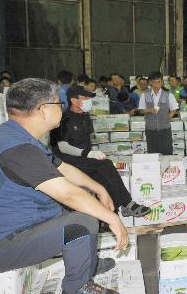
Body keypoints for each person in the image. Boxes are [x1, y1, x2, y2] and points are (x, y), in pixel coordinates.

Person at [0, 78, 129, 294]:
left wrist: (98, 188)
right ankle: (75, 289)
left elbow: (61, 167)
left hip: (17, 227)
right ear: (43, 110)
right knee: (82, 222)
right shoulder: (18, 150)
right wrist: (112, 218)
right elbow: (69, 195)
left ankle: (87, 263)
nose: (60, 108)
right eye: (57, 103)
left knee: (83, 203)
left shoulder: (15, 134)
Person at [51, 85, 151, 218]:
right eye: (85, 97)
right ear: (74, 100)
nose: (88, 100)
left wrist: (93, 153)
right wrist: (88, 154)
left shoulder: (85, 117)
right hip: (67, 160)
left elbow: (87, 141)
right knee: (106, 165)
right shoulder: (63, 119)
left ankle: (112, 214)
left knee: (104, 178)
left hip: (84, 159)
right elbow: (63, 146)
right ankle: (128, 204)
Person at [138, 71, 178, 155]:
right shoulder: (145, 95)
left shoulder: (168, 95)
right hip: (150, 130)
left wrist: (168, 117)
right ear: (150, 82)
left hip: (165, 130)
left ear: (162, 82)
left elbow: (174, 109)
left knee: (167, 152)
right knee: (153, 154)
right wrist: (150, 110)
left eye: (159, 82)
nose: (156, 85)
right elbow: (141, 110)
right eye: (154, 82)